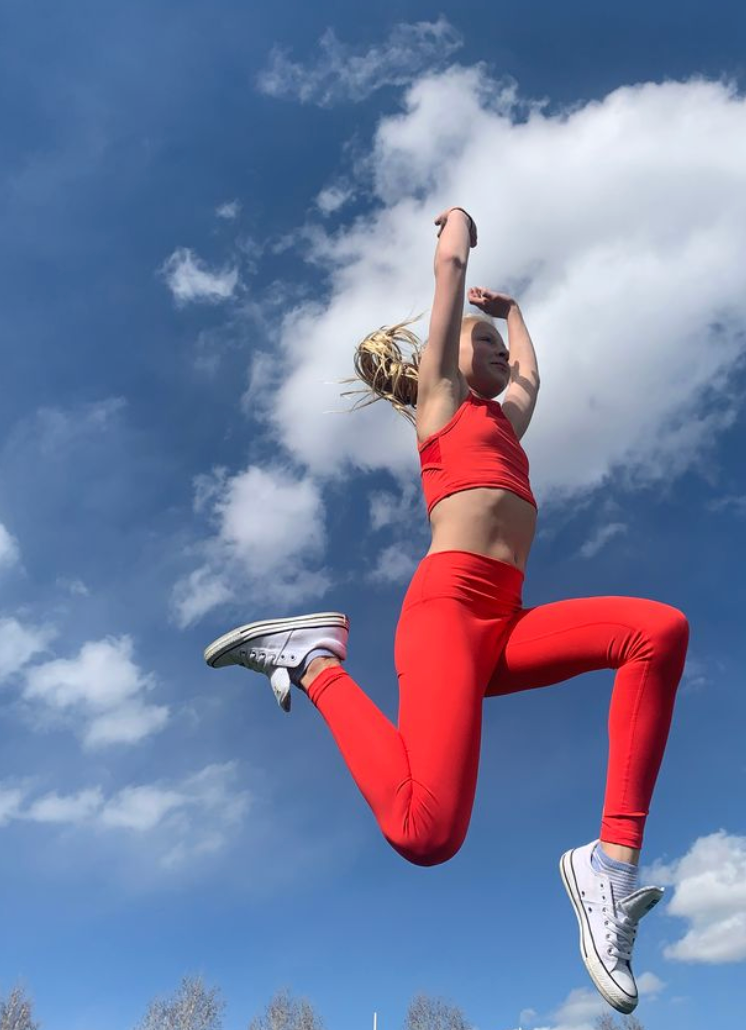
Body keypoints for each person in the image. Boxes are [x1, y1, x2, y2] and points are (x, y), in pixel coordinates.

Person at [203, 207, 689, 1014]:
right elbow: (449, 280)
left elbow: (534, 378)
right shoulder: (441, 405)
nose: (498, 357)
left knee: (658, 630)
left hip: (505, 620)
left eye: (499, 349)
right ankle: (314, 661)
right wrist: (458, 230)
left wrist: (518, 317)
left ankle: (611, 865)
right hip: (446, 613)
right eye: (483, 345)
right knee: (426, 835)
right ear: (449, 361)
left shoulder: (507, 425)